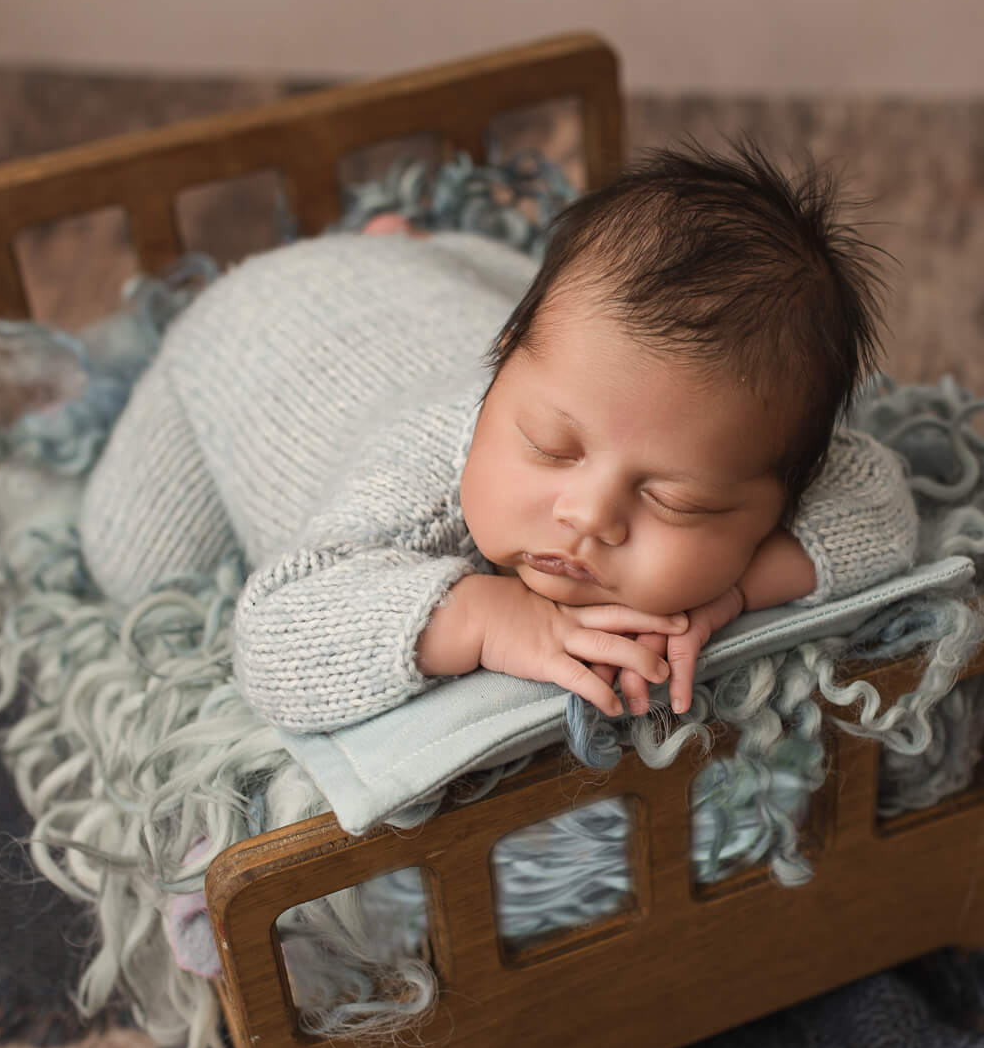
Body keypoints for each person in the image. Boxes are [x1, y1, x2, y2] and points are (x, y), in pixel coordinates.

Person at [79, 140, 917, 733]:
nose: (589, 515)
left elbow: (880, 503)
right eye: (553, 449)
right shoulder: (424, 479)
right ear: (500, 381)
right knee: (133, 562)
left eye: (676, 499)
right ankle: (400, 252)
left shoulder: (674, 423)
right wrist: (488, 617)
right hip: (242, 342)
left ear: (769, 502)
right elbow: (273, 639)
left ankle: (410, 254)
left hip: (431, 310)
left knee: (588, 315)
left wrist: (733, 590)